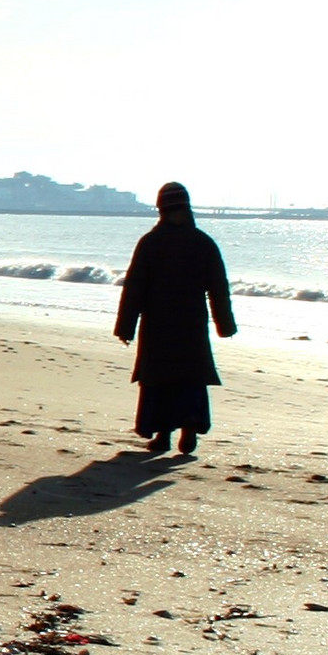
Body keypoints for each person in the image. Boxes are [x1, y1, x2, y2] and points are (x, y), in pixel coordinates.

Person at [113, 182, 236, 456]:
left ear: (162, 210)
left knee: (159, 380)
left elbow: (135, 288)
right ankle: (189, 431)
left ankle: (162, 435)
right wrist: (224, 325)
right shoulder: (203, 242)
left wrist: (125, 327)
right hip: (191, 325)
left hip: (158, 324)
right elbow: (219, 287)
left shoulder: (151, 242)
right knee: (190, 378)